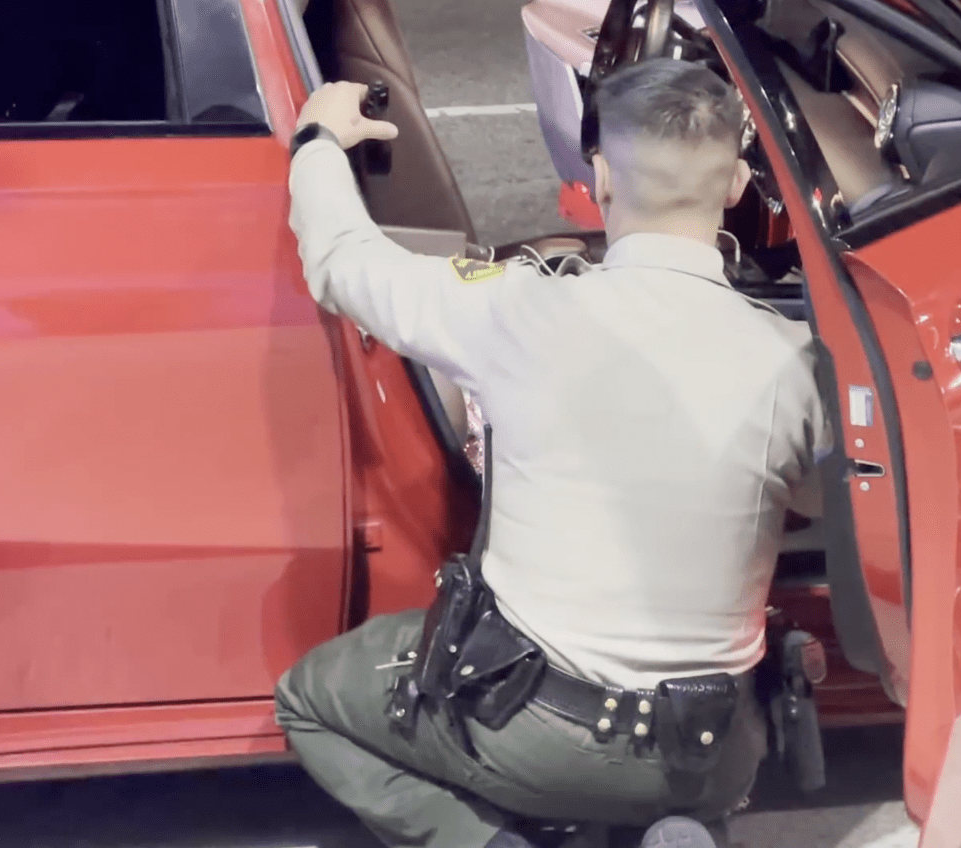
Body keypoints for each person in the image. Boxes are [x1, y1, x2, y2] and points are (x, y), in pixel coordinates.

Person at [275, 57, 829, 848]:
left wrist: (319, 137)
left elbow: (341, 260)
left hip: (536, 730)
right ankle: (678, 824)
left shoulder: (514, 310)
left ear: (600, 178)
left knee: (309, 699)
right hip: (718, 748)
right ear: (737, 183)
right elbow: (816, 501)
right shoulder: (796, 360)